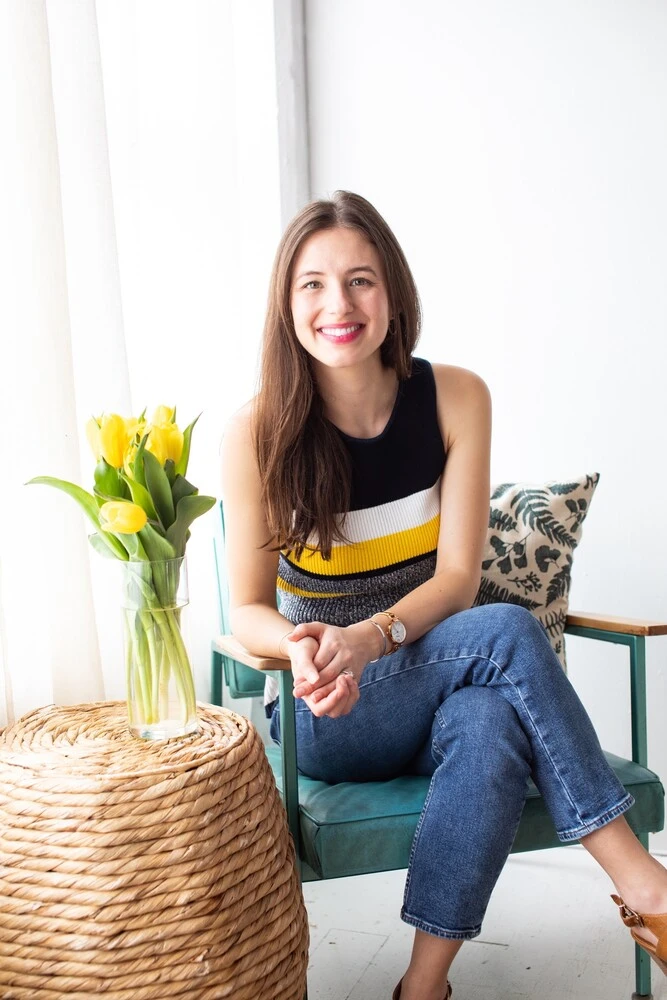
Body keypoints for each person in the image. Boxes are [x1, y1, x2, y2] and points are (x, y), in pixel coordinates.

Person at [221, 190, 667, 1000]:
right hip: (328, 715)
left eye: (359, 280)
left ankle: (421, 987)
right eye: (311, 285)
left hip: (425, 685)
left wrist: (368, 637)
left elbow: (456, 577)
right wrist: (307, 648)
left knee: (490, 718)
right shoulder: (257, 432)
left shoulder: (455, 397)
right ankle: (647, 889)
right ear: (285, 307)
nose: (338, 305)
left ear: (393, 290)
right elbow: (245, 607)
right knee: (501, 632)